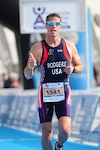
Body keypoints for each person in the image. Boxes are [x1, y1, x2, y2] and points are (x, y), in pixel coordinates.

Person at [24, 13, 83, 150]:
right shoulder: (37, 48)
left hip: (63, 90)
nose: (54, 27)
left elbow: (80, 66)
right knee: (46, 135)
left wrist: (73, 69)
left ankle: (59, 145)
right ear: (46, 26)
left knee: (65, 132)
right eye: (50, 24)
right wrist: (30, 67)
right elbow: (27, 75)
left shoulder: (69, 46)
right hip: (45, 93)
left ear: (60, 26)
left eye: (56, 24)